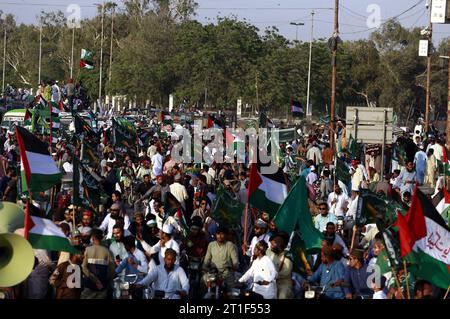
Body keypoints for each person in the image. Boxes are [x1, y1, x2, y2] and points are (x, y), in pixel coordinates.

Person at [81, 229, 116, 299]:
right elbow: (112, 271)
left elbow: (84, 267)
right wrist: (105, 282)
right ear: (102, 238)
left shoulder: (87, 250)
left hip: (89, 286)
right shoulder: (108, 252)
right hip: (102, 288)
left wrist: (96, 281)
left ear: (92, 238)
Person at [202, 225, 239, 289]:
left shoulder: (230, 245)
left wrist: (234, 266)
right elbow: (207, 259)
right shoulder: (211, 245)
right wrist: (204, 268)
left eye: (222, 234)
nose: (219, 236)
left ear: (226, 235)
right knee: (203, 280)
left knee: (231, 291)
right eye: (218, 234)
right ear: (216, 235)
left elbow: (235, 261)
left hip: (226, 273)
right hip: (213, 273)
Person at [266, 232, 293, 299]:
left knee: (282, 296)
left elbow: (285, 272)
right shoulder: (270, 252)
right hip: (271, 282)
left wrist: (272, 275)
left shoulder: (287, 256)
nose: (271, 246)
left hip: (283, 283)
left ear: (279, 245)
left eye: (273, 244)